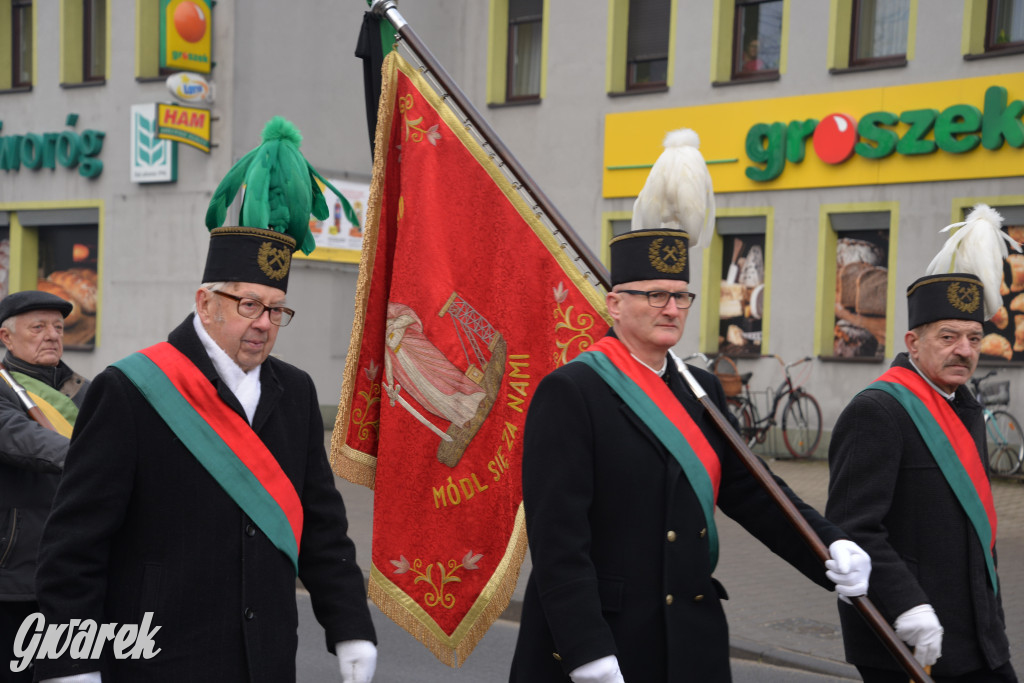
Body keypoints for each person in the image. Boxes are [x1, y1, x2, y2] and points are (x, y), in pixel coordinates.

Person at [32, 119, 377, 683]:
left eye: (276, 310)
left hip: (264, 659)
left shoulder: (296, 392)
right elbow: (75, 543)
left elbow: (321, 527)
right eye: (248, 305)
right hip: (158, 657)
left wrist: (351, 626)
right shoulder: (131, 389)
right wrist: (69, 662)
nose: (264, 324)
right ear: (205, 301)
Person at [508, 226, 872, 682]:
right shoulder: (572, 392)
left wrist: (828, 547)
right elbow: (558, 537)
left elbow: (756, 493)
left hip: (689, 638)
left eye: (682, 297)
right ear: (614, 304)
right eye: (656, 295)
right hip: (608, 640)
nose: (672, 309)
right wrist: (586, 650)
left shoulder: (702, 392)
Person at [827, 206, 1017, 683]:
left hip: (975, 633)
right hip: (908, 633)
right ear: (913, 341)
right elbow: (852, 529)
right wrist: (907, 604)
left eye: (974, 338)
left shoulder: (964, 408)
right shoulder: (879, 410)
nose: (965, 350)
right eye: (948, 336)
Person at [0, 291, 90, 683]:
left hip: (77, 568)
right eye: (38, 327)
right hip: (16, 575)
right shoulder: (4, 390)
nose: (52, 335)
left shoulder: (87, 391)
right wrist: (101, 462)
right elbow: (23, 439)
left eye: (58, 327)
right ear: (6, 337)